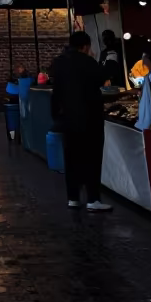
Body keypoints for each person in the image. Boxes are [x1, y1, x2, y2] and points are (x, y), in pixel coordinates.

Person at [50, 31, 111, 212]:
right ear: (85, 46)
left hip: (68, 118)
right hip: (90, 117)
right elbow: (102, 79)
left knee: (72, 158)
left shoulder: (59, 63)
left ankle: (73, 197)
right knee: (92, 157)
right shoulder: (88, 61)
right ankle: (93, 198)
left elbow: (56, 92)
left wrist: (56, 116)